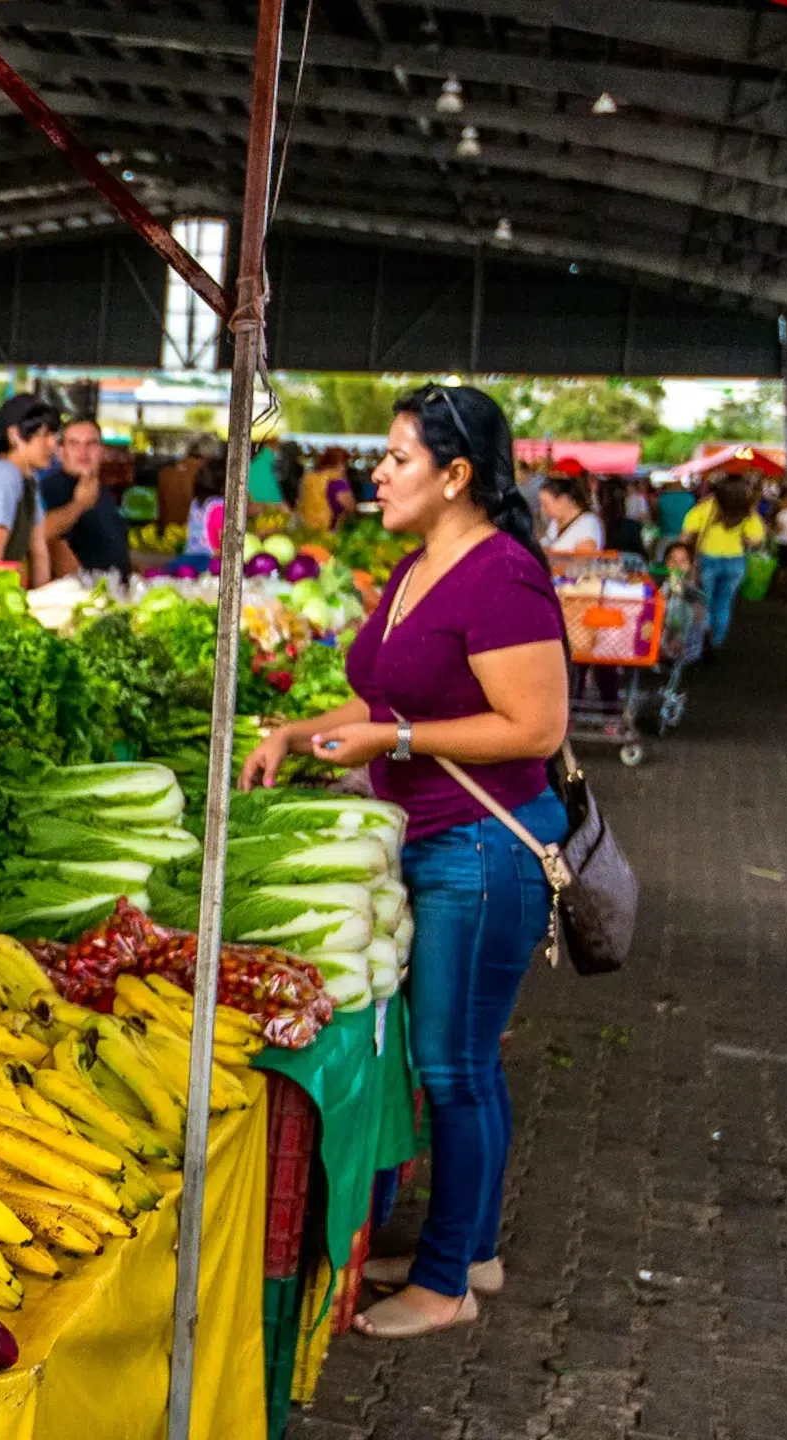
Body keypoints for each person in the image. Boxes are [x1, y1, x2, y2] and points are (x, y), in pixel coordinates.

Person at [239, 382, 568, 1341]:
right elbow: (378, 699)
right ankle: (472, 1250)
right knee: (469, 1066)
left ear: (456, 475)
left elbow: (535, 726)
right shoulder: (421, 566)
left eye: (396, 458)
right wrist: (296, 735)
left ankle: (444, 1284)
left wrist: (403, 742)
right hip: (433, 840)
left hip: (481, 848)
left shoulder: (500, 574)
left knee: (454, 1067)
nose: (373, 474)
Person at [0, 393, 60, 584]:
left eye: (54, 435)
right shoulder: (2, 476)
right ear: (15, 435)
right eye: (44, 435)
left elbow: (39, 549)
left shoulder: (29, 478)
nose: (52, 444)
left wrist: (43, 600)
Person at [680, 473, 766, 653]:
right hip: (735, 561)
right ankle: (716, 642)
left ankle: (703, 636)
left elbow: (687, 533)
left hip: (707, 559)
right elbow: (757, 538)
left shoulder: (705, 508)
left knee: (704, 601)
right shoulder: (745, 512)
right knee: (724, 603)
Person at [40, 415, 131, 577]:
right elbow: (42, 535)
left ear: (102, 451)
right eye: (74, 444)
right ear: (61, 452)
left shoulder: (102, 490)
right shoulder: (49, 490)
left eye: (91, 444)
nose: (83, 452)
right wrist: (79, 504)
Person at [537, 477, 603, 554]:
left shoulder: (588, 525)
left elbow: (583, 561)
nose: (542, 510)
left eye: (545, 505)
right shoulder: (555, 521)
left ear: (563, 500)